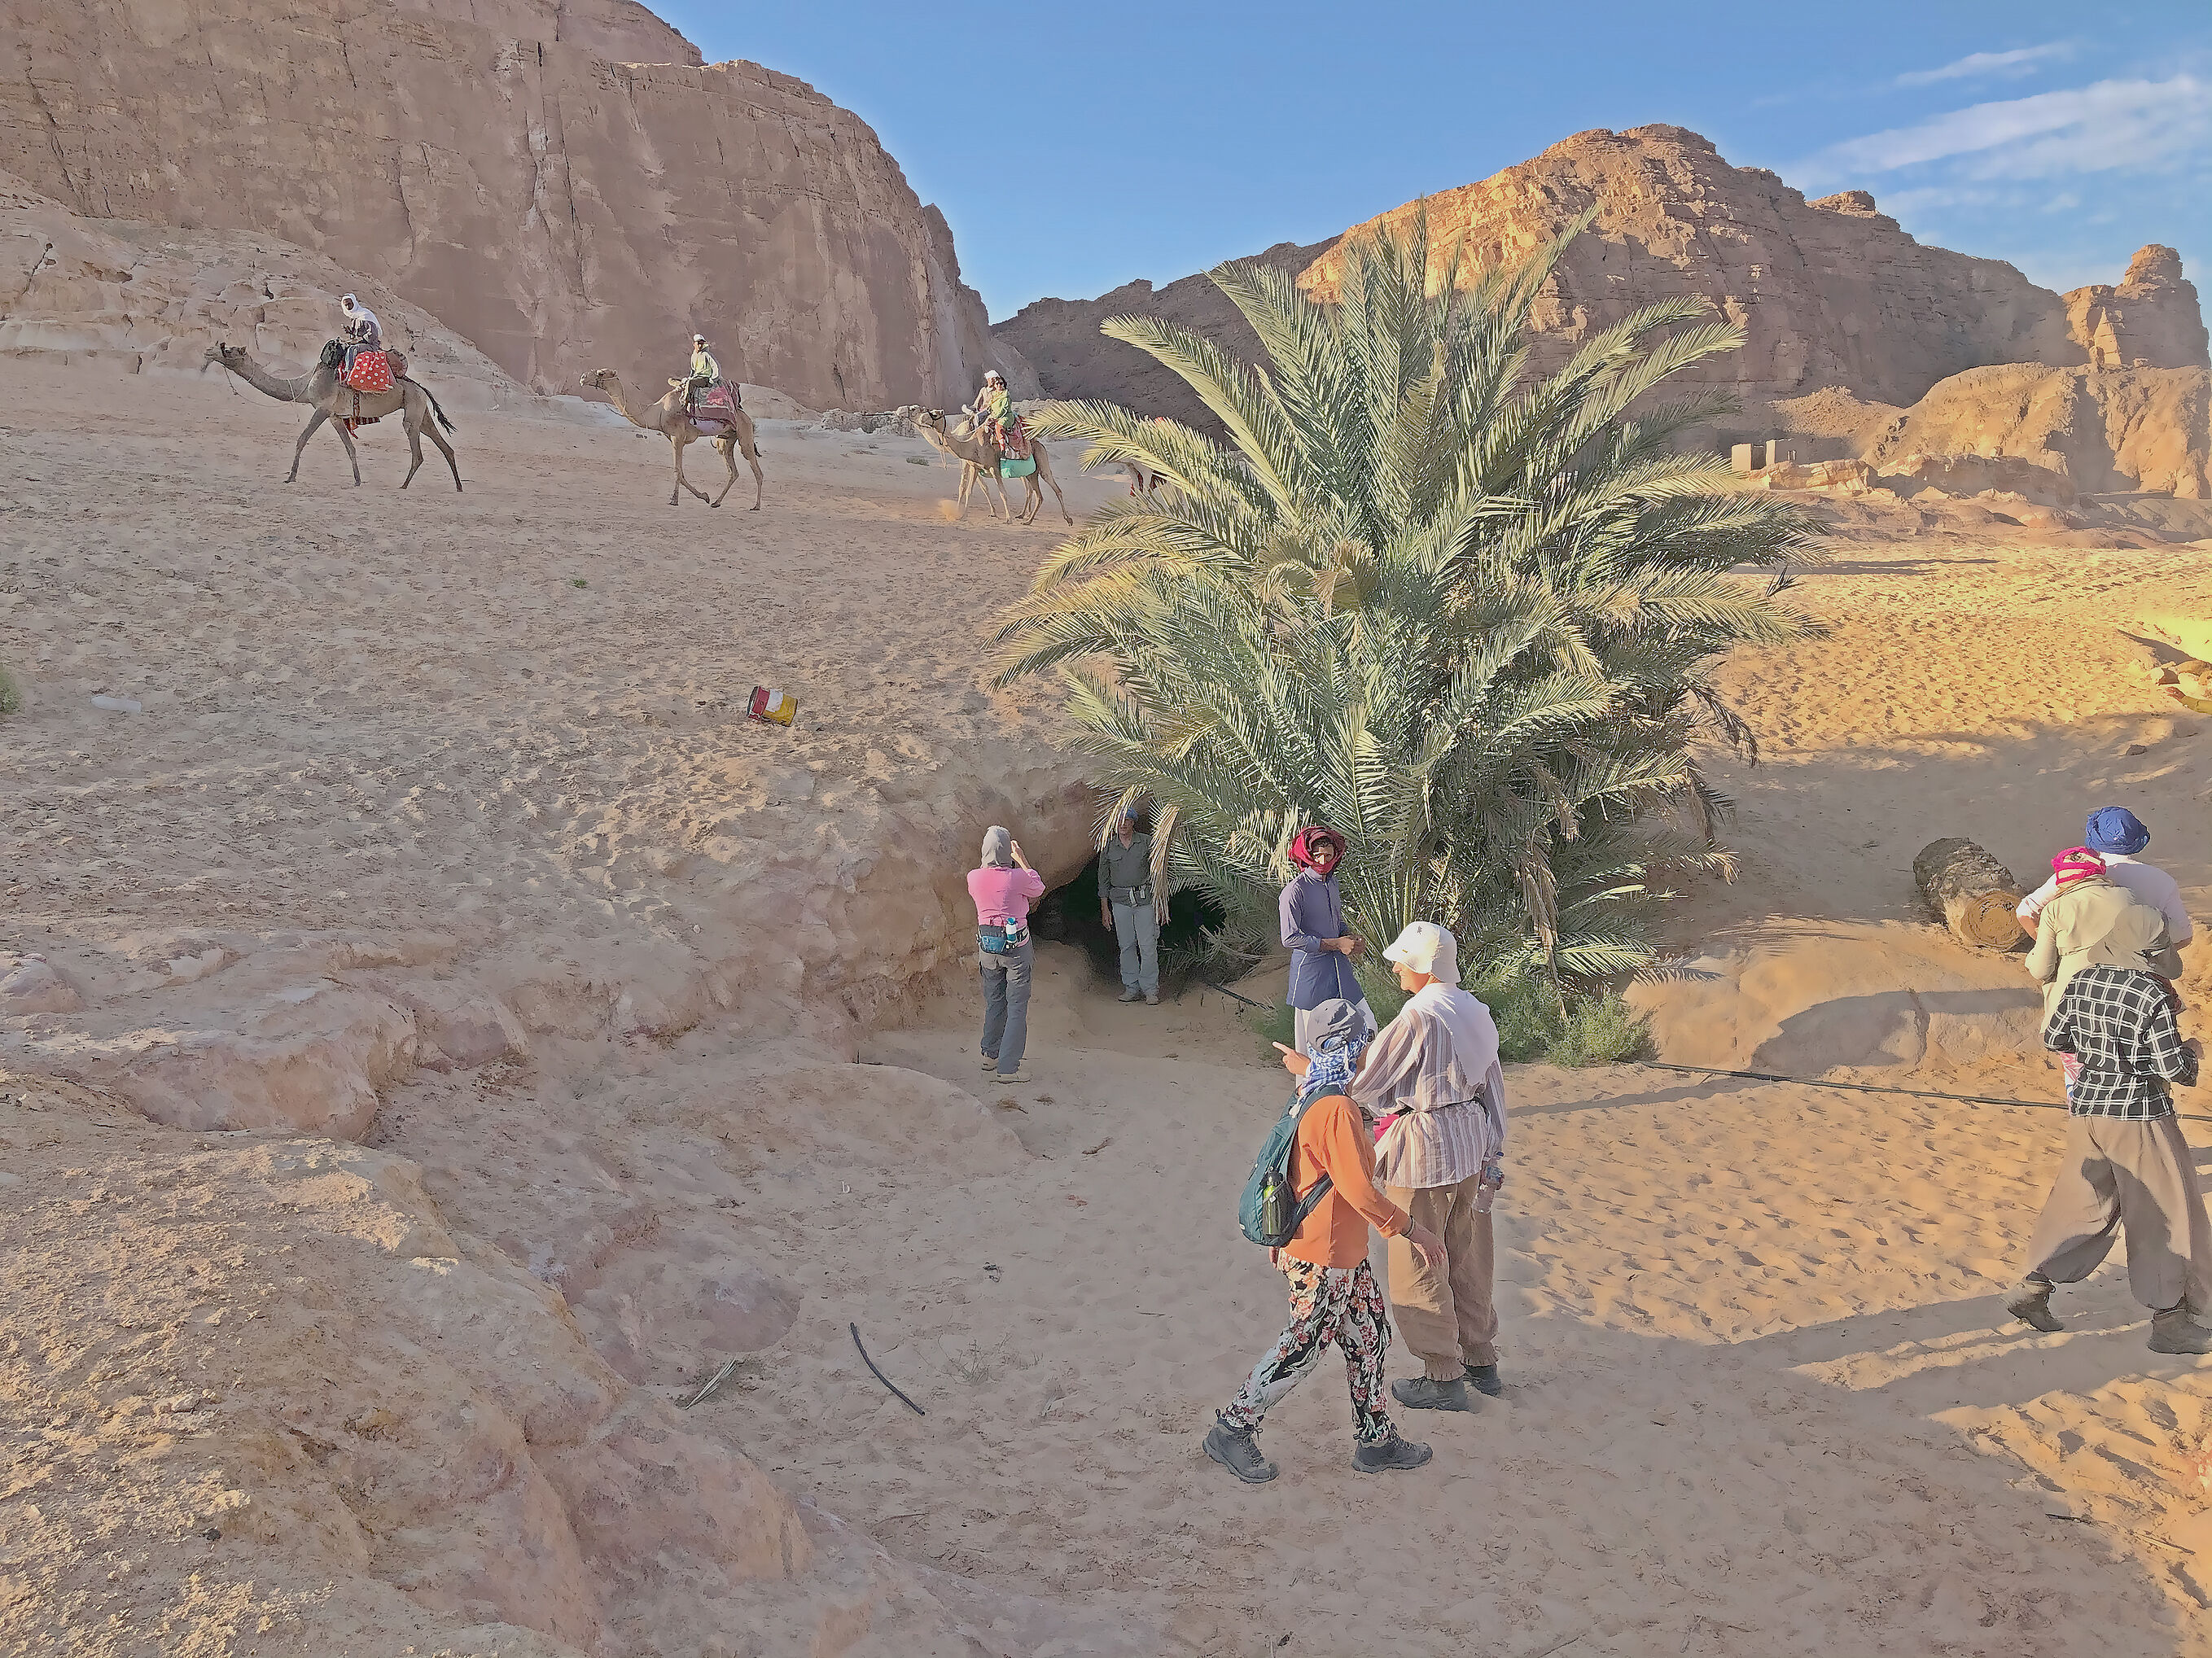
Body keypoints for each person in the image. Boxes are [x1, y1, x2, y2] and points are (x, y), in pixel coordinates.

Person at [1205, 999, 1448, 1484]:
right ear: (1352, 1045)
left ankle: (1375, 1439)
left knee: (1372, 1334)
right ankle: (1233, 1427)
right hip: (1325, 1254)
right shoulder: (1336, 1107)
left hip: (1336, 1252)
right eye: (1367, 1042)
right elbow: (1357, 1189)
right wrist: (1410, 1229)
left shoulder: (1315, 1094)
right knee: (1303, 1348)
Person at [2004, 956, 2212, 1354]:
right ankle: (2171, 1322)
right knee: (2164, 1217)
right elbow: (2174, 1069)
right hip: (2139, 1115)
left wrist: (2105, 1057)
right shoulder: (2152, 994)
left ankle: (2033, 1287)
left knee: (2082, 1205)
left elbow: (2055, 1040)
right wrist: (2191, 1052)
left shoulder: (2082, 981)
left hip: (2087, 1112)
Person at [1351, 921, 1510, 1408]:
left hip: (1424, 1151)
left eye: (1403, 960)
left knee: (1420, 1259)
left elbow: (1369, 1080)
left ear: (1422, 967)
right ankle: (1481, 1361)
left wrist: (1314, 1072)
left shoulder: (1418, 1017)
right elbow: (1493, 1089)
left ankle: (1443, 1376)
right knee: (1467, 1255)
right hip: (1469, 1147)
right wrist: (1492, 1154)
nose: (1397, 967)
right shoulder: (1473, 1011)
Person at [2019, 807, 2192, 946]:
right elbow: (2184, 936)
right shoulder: (2162, 881)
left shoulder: (2074, 874)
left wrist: (2050, 948)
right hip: (2140, 977)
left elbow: (2025, 911)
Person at [1279, 827, 1370, 1052]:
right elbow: (1289, 938)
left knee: (1367, 1028)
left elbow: (1336, 924)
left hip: (1341, 973)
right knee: (1312, 1048)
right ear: (1307, 856)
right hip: (1312, 978)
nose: (1322, 860)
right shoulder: (1294, 891)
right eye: (1317, 855)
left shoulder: (1332, 884)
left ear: (1335, 855)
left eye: (1327, 855)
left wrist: (1348, 938)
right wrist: (1336, 944)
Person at [969, 826, 1043, 1084]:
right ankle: (1009, 1068)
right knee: (1017, 1006)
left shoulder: (973, 877)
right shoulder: (1016, 877)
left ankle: (990, 1055)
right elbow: (1038, 887)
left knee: (995, 1000)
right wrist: (1021, 859)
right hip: (1016, 949)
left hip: (987, 949)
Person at [1098, 807, 1159, 1004]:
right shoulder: (1109, 847)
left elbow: (1160, 873)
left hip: (1144, 900)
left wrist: (1161, 903)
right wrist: (1104, 909)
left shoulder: (1147, 842)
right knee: (1126, 946)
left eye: (1127, 820)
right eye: (1119, 821)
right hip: (1120, 901)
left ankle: (1150, 989)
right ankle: (1131, 987)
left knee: (1148, 945)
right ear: (1113, 825)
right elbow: (1103, 879)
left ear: (1133, 822)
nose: (1123, 824)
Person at [338, 294, 381, 378]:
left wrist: (359, 338)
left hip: (371, 345)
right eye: (346, 305)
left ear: (354, 302)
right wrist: (350, 332)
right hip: (361, 343)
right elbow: (356, 334)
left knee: (352, 349)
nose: (348, 307)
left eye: (349, 304)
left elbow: (372, 335)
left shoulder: (365, 315)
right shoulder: (355, 317)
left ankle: (349, 374)